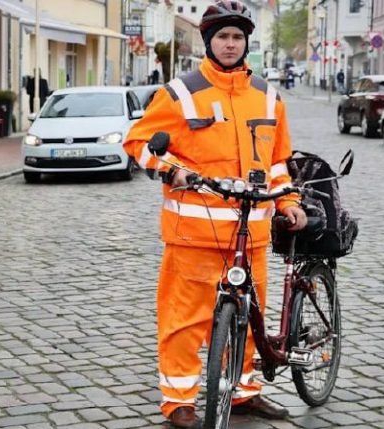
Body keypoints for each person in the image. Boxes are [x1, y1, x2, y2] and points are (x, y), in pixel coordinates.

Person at [123, 1, 307, 427]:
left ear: (246, 42)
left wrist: (289, 203)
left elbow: (279, 162)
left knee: (249, 321)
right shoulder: (181, 92)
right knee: (183, 323)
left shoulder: (268, 96)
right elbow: (138, 143)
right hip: (193, 235)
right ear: (209, 42)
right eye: (222, 36)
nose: (230, 44)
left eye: (237, 37)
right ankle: (178, 401)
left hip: (253, 234)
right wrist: (172, 170)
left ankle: (243, 392)